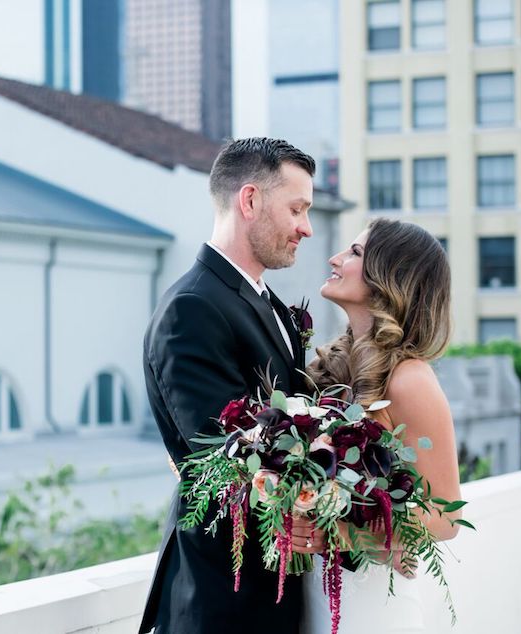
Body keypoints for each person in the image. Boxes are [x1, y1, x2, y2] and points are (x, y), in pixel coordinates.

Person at [139, 137, 316, 634]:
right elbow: (227, 460)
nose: (306, 227)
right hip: (221, 601)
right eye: (297, 209)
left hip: (270, 594)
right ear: (251, 200)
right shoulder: (192, 309)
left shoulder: (267, 302)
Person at [294, 218, 463, 633]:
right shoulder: (330, 368)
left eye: (354, 253)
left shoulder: (409, 379)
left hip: (371, 608)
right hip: (312, 596)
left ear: (390, 277)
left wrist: (342, 535)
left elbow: (445, 516)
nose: (335, 258)